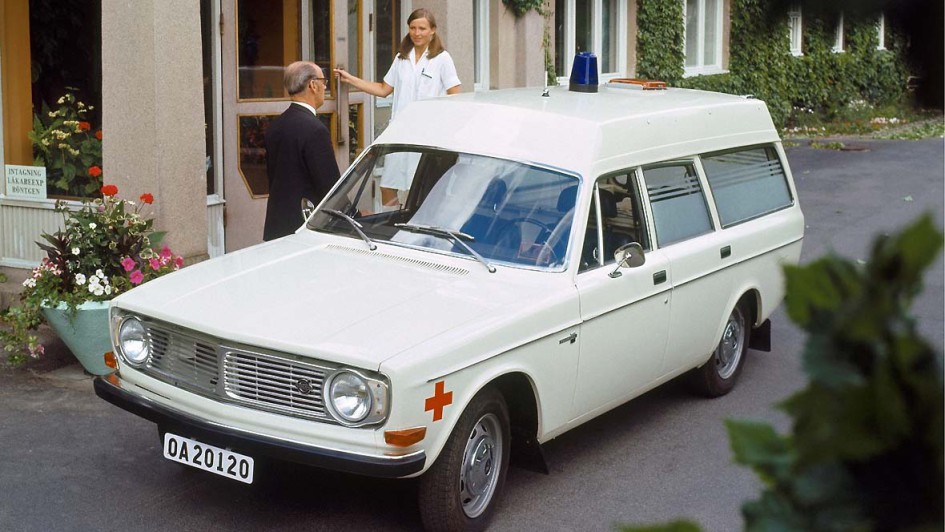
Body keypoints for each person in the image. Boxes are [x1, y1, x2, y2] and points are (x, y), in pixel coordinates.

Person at [334, 8, 461, 208]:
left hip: (427, 136)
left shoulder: (442, 58)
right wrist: (351, 80)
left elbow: (455, 95)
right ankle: (391, 222)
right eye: (413, 28)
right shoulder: (402, 58)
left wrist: (442, 127)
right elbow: (383, 89)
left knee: (422, 189)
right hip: (400, 132)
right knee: (388, 185)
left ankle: (417, 223)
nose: (417, 33)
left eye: (422, 28)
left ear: (432, 30)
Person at [263, 61, 341, 241]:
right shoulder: (315, 130)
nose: (325, 87)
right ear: (313, 85)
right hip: (306, 228)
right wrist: (354, 215)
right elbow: (330, 188)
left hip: (277, 226)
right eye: (324, 81)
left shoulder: (276, 125)